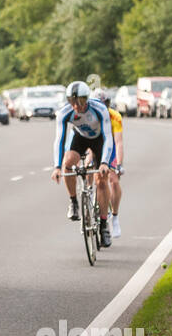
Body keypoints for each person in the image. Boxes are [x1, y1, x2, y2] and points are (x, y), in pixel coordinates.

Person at [50, 80, 117, 248]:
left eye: (79, 101)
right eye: (72, 102)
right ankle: (73, 202)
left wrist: (103, 163)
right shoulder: (65, 113)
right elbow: (59, 140)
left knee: (101, 180)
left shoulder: (100, 109)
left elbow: (109, 137)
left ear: (86, 99)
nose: (76, 106)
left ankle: (103, 226)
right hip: (80, 137)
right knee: (68, 162)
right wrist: (57, 167)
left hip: (100, 140)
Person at [94, 88, 125, 238]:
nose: (102, 108)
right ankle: (89, 199)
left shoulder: (115, 116)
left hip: (110, 147)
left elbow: (118, 142)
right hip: (93, 147)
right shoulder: (89, 115)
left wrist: (119, 164)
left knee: (113, 181)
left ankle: (115, 217)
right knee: (90, 173)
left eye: (105, 104)